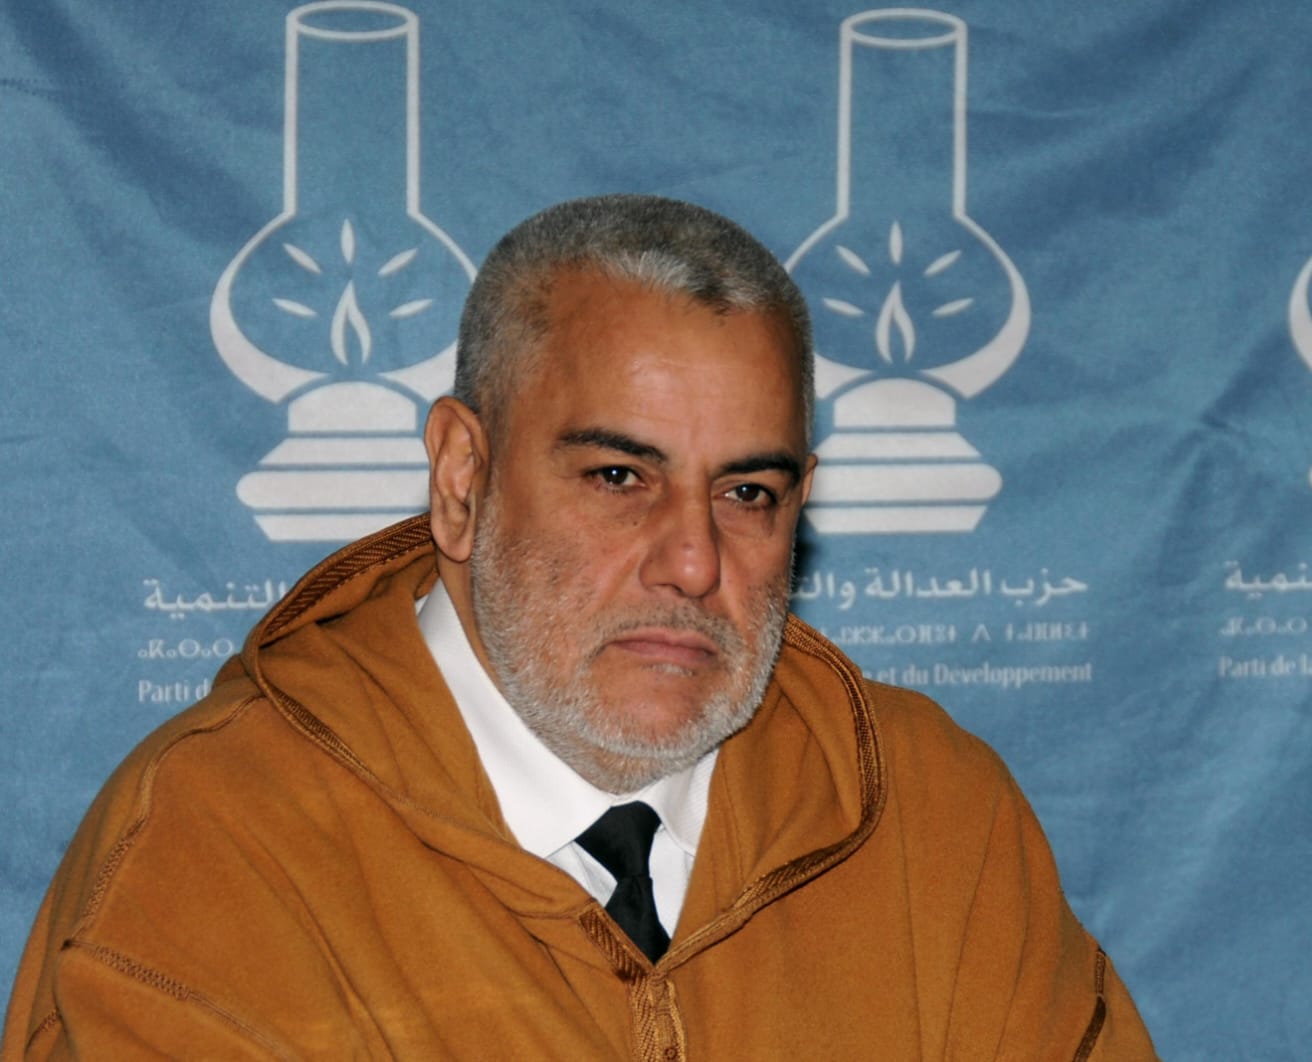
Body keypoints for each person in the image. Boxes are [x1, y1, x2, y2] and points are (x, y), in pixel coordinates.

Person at [3, 195, 1156, 1059]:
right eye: (618, 477)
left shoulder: (930, 815)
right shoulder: (216, 842)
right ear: (463, 477)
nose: (694, 561)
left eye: (747, 492)